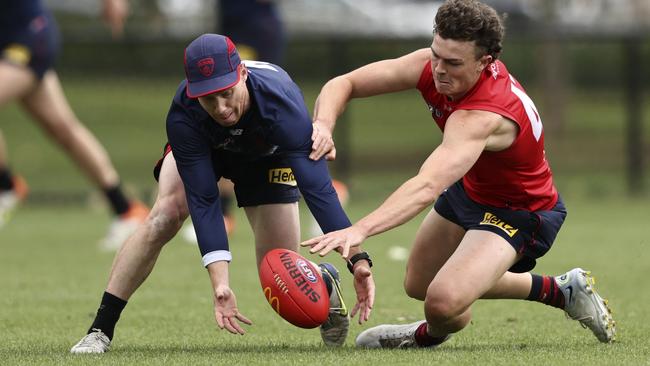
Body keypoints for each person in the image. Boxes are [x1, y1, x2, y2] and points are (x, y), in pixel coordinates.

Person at [302, 0, 615, 349]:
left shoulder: (483, 115)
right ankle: (560, 290)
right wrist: (324, 126)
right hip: (471, 191)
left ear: (486, 62)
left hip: (521, 211)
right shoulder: (431, 64)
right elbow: (343, 83)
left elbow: (426, 186)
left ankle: (423, 336)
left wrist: (359, 230)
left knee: (441, 303)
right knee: (419, 284)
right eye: (436, 54)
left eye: (453, 63)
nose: (438, 69)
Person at [70, 34, 375, 354]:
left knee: (279, 268)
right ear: (192, 91)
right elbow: (204, 199)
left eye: (226, 94)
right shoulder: (184, 113)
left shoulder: (280, 103)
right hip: (210, 150)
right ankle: (100, 329)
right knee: (165, 214)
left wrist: (357, 259)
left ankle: (324, 280)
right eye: (208, 99)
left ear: (242, 74)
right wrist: (221, 284)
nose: (221, 108)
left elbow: (318, 189)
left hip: (266, 157)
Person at [0, 0, 148, 249]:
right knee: (63, 129)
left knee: (64, 129)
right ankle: (126, 209)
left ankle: (6, 186)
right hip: (10, 41)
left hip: (28, 34)